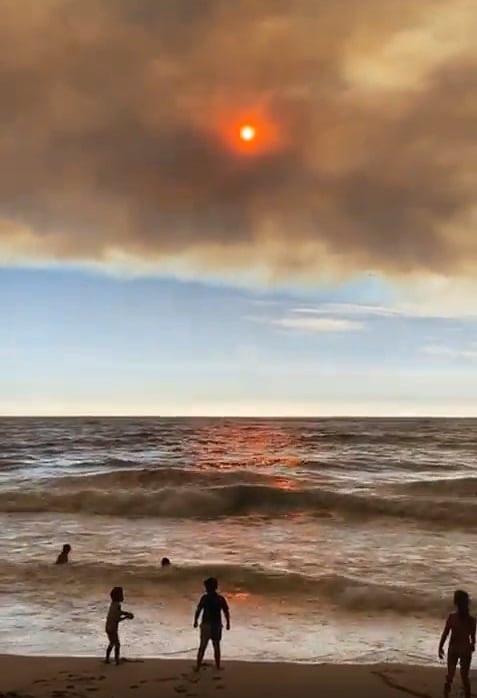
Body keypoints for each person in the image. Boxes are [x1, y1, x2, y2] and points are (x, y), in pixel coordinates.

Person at [439, 589, 476, 698]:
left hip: (458, 648)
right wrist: (472, 644)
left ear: (456, 603)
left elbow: (473, 637)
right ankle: (463, 694)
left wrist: (440, 647)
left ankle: (447, 693)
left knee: (453, 675)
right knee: (461, 676)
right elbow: (472, 638)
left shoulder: (455, 618)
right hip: (459, 648)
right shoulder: (470, 620)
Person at [193, 577, 230, 671]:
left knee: (202, 646)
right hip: (216, 625)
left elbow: (199, 610)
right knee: (216, 645)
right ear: (216, 587)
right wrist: (228, 623)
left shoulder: (205, 598)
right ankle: (217, 666)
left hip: (206, 624)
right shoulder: (220, 599)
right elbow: (226, 612)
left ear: (207, 588)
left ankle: (198, 666)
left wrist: (196, 621)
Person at [105, 586, 134, 665]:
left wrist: (125, 613)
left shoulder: (113, 604)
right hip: (113, 627)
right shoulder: (117, 605)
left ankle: (107, 659)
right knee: (117, 644)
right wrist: (126, 617)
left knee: (112, 642)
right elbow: (117, 619)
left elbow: (117, 612)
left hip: (108, 626)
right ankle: (117, 660)